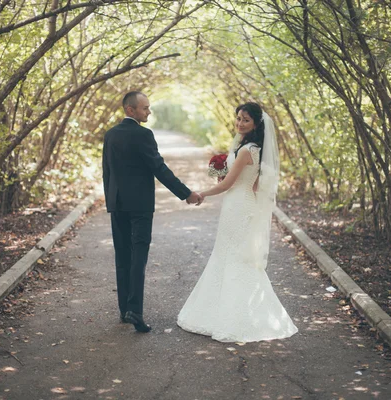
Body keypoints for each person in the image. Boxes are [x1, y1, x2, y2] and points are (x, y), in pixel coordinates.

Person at [177, 102, 298, 342]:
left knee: (234, 257)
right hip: (240, 204)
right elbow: (249, 182)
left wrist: (202, 194)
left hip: (238, 206)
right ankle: (221, 313)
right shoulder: (252, 148)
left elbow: (227, 184)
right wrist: (220, 170)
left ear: (256, 124)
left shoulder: (246, 150)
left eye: (246, 120)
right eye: (239, 118)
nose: (240, 123)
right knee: (229, 254)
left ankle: (238, 318)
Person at [102, 91, 202, 333]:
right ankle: (135, 309)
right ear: (130, 110)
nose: (148, 112)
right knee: (138, 257)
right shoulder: (143, 135)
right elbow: (159, 168)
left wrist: (110, 202)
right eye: (144, 108)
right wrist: (186, 193)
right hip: (140, 207)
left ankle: (124, 311)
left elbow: (106, 172)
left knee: (122, 257)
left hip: (117, 205)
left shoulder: (110, 135)